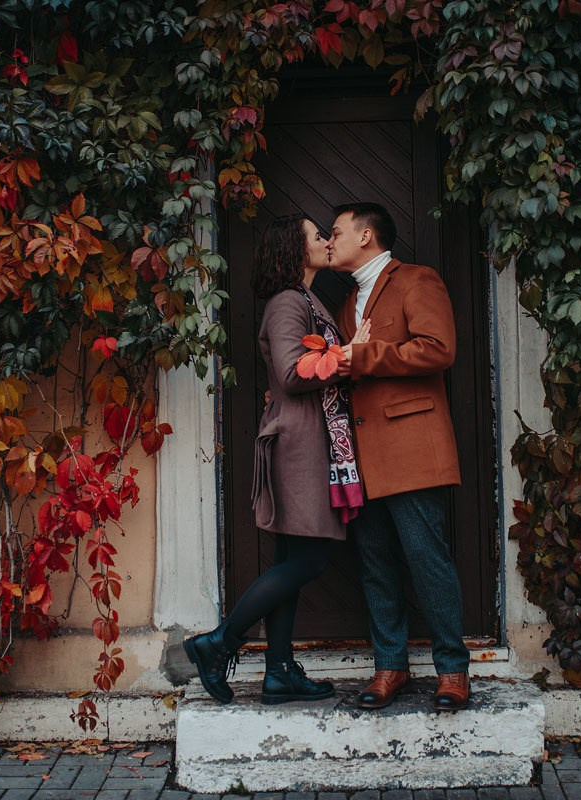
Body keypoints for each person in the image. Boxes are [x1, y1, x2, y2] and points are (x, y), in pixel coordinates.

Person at [184, 213, 369, 705]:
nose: (327, 241)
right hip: (299, 445)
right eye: (317, 236)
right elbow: (290, 373)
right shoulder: (289, 302)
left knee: (293, 557)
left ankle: (279, 672)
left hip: (307, 441)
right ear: (294, 248)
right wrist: (350, 356)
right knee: (309, 559)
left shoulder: (307, 298)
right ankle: (218, 642)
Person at [327, 201, 471, 712]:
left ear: (366, 236)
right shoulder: (346, 304)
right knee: (376, 564)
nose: (330, 240)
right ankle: (390, 667)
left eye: (337, 231)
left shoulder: (416, 279)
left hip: (412, 447)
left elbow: (438, 348)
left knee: (428, 560)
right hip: (363, 455)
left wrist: (360, 356)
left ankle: (452, 671)